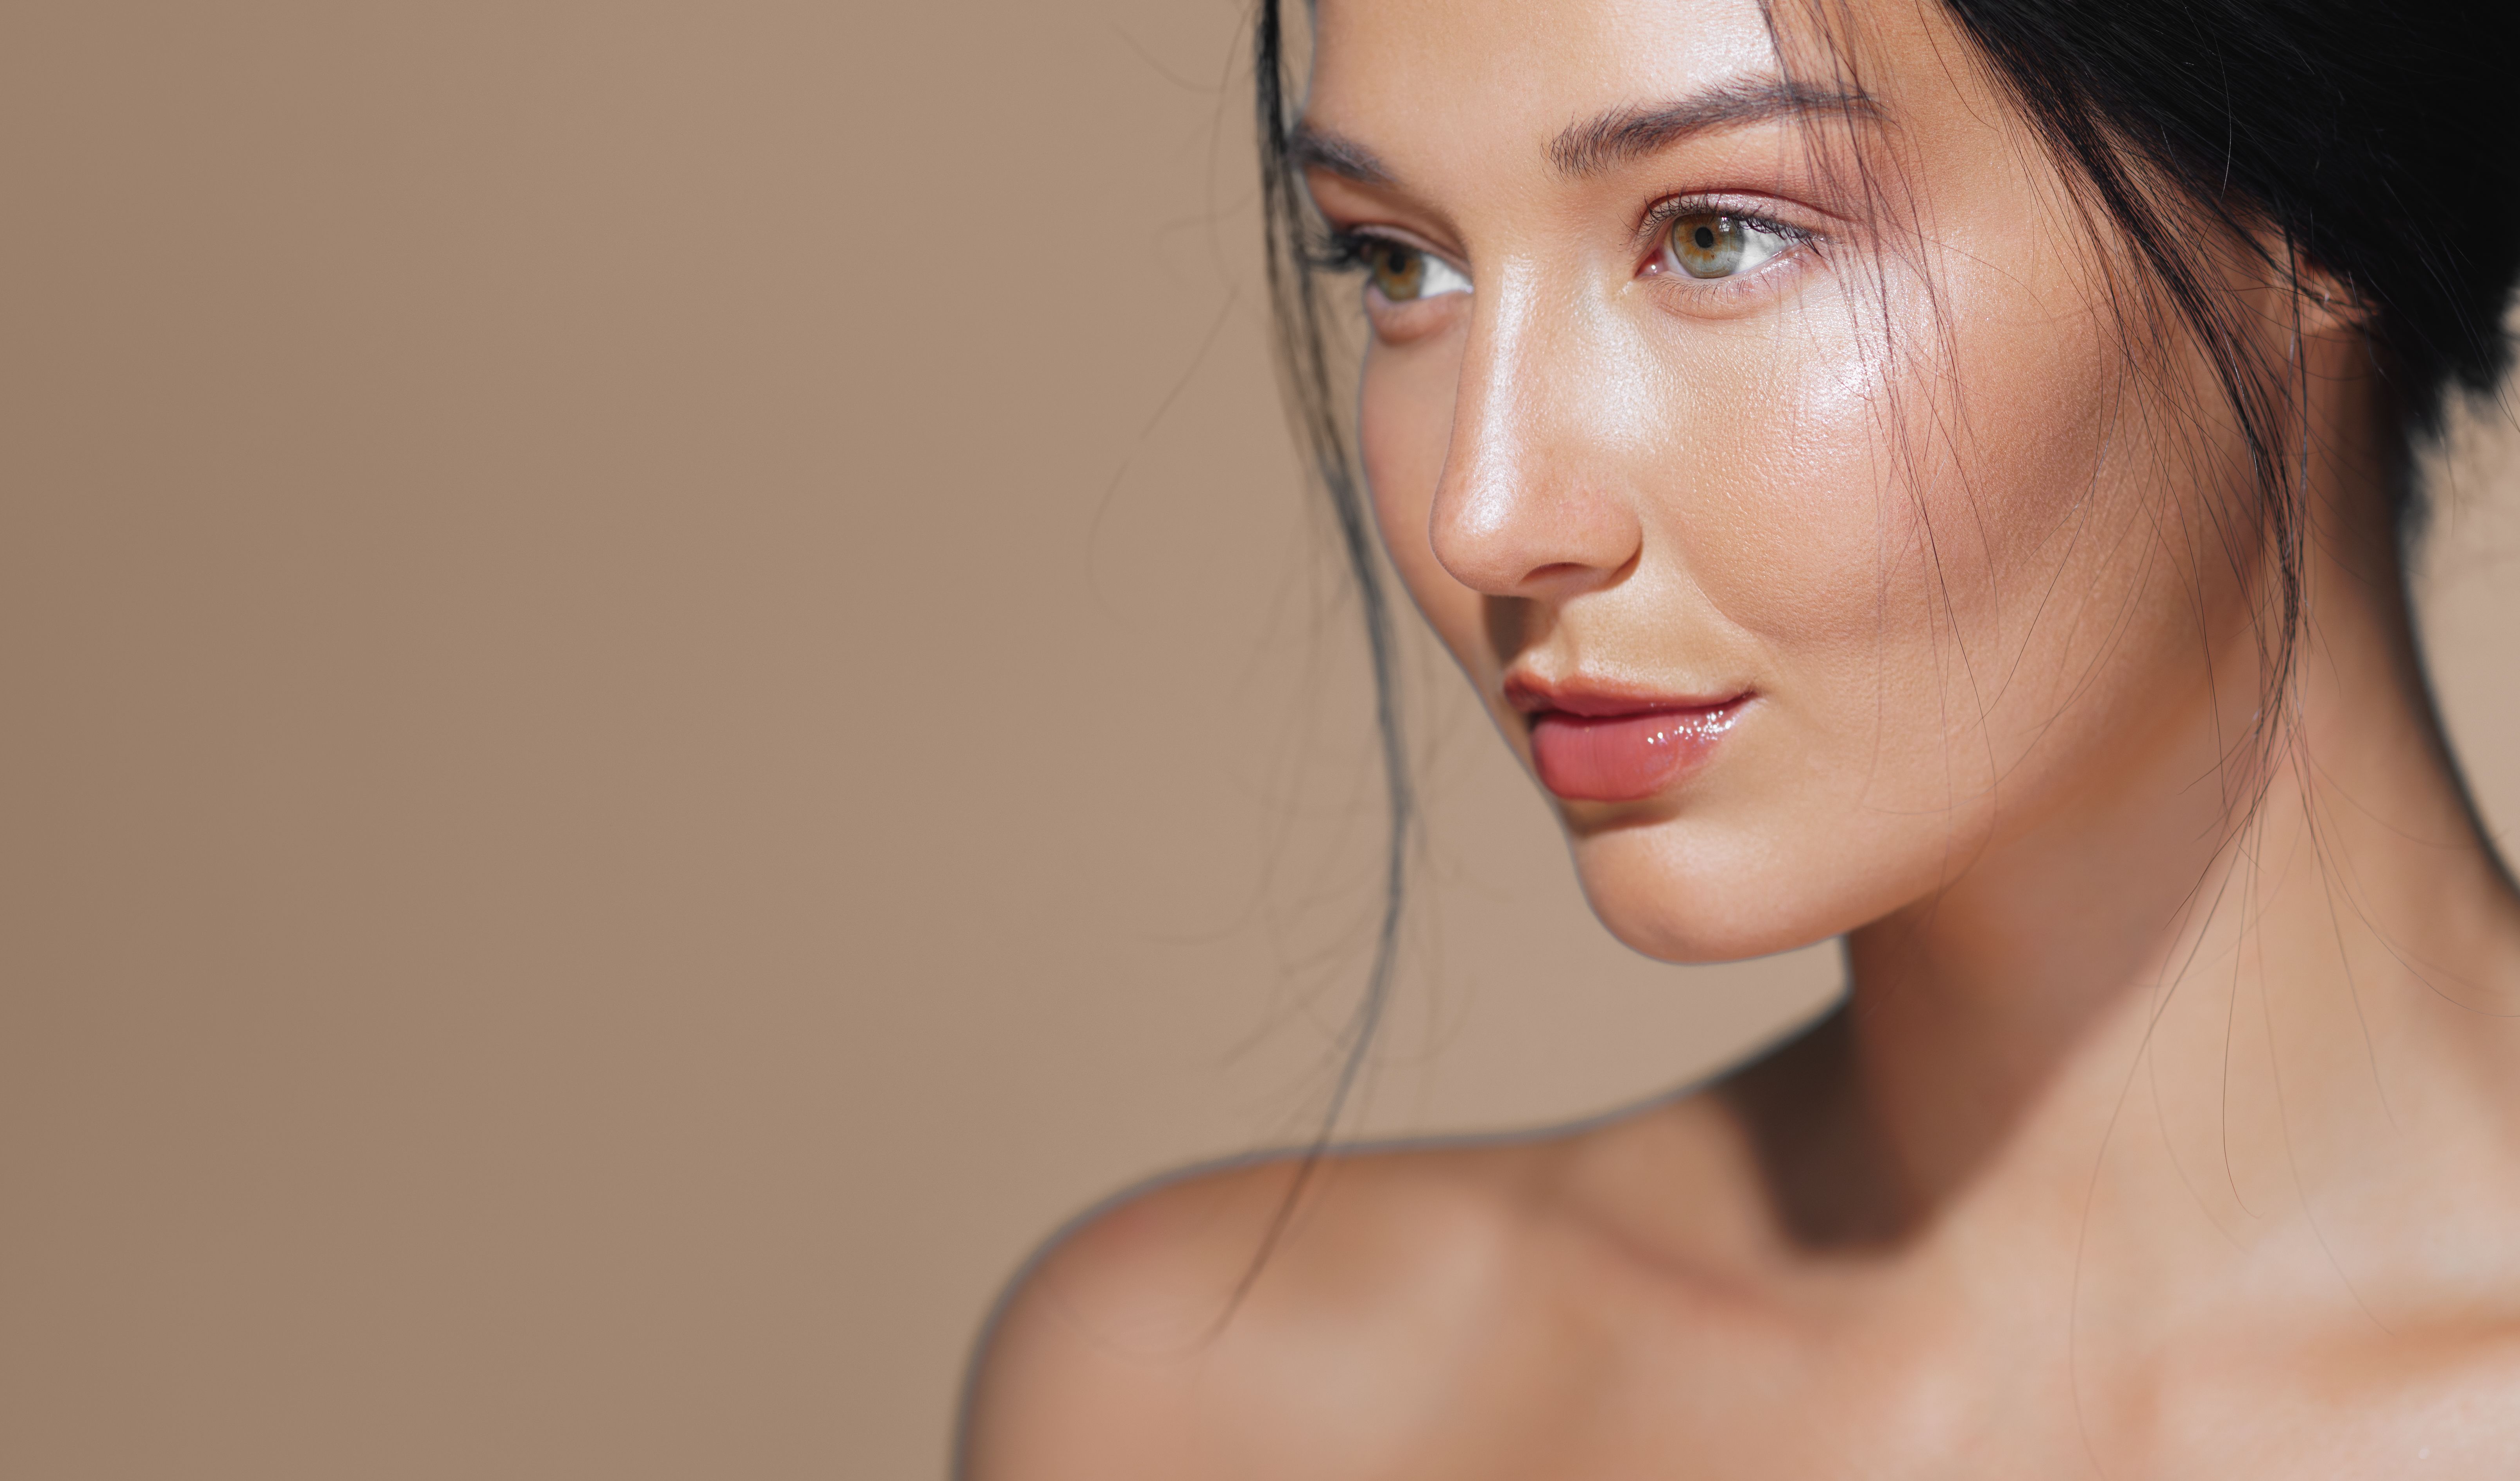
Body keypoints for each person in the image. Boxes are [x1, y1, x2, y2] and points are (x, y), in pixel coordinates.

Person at [962, 0, 2520, 1471]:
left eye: (1714, 236)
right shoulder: (1214, 1400)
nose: (1486, 515)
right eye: (1400, 265)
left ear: (2304, 208)